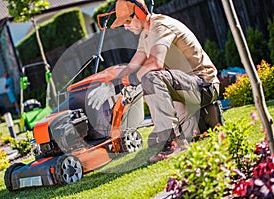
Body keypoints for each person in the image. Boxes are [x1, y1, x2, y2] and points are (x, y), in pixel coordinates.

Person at [87, 0, 220, 163]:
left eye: (128, 21)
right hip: (184, 90)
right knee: (194, 136)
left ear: (140, 13)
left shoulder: (161, 26)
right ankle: (208, 117)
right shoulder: (146, 33)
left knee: (150, 77)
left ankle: (169, 142)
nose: (126, 27)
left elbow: (155, 63)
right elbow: (134, 64)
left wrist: (132, 80)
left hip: (203, 85)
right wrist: (112, 84)